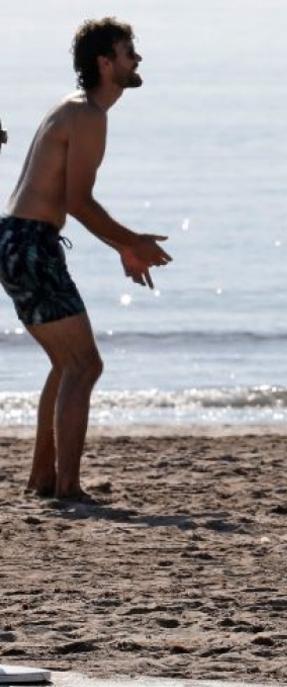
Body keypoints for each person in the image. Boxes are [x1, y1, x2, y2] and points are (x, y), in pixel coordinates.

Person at [1, 18, 171, 501]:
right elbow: (78, 201)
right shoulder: (88, 114)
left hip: (19, 241)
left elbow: (72, 202)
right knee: (85, 365)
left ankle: (43, 479)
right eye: (128, 52)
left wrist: (124, 243)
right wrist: (129, 242)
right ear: (105, 62)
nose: (136, 60)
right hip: (30, 243)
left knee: (66, 363)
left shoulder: (74, 108)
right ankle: (68, 486)